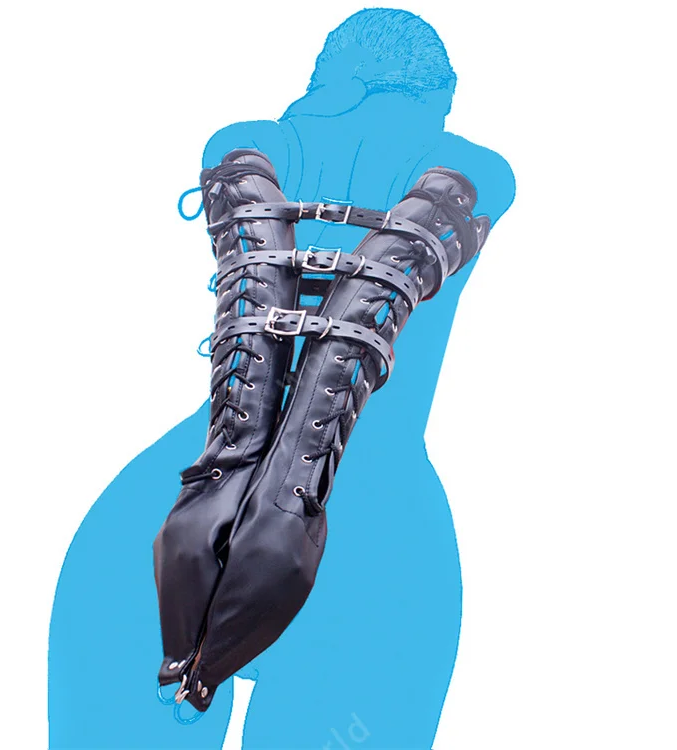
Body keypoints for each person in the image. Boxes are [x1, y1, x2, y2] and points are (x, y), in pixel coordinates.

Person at [48, 8, 515, 749]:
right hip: (380, 545)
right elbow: (390, 277)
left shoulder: (246, 145)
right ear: (437, 95)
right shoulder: (473, 170)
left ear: (328, 76)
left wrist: (235, 486)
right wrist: (284, 510)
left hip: (170, 514)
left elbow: (262, 284)